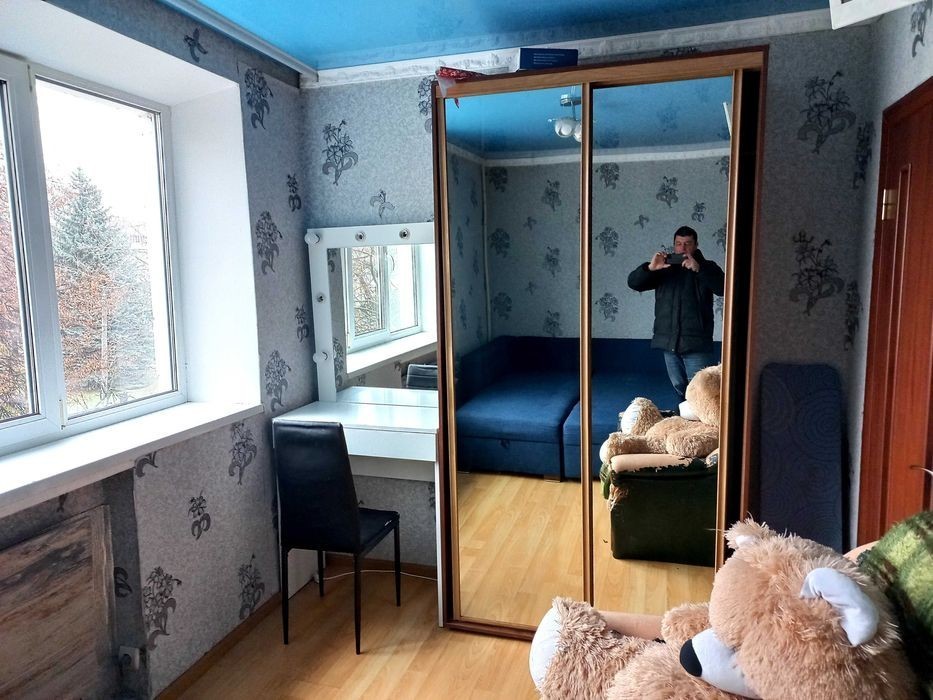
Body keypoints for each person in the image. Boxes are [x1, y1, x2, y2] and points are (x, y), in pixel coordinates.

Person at [627, 225, 724, 405]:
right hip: (669, 342)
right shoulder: (664, 268)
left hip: (696, 342)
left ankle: (705, 423)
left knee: (704, 393)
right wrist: (650, 268)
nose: (683, 248)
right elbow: (633, 283)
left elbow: (723, 288)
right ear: (674, 245)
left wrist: (699, 269)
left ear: (696, 245)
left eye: (688, 243)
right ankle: (684, 421)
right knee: (680, 390)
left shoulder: (707, 267)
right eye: (679, 244)